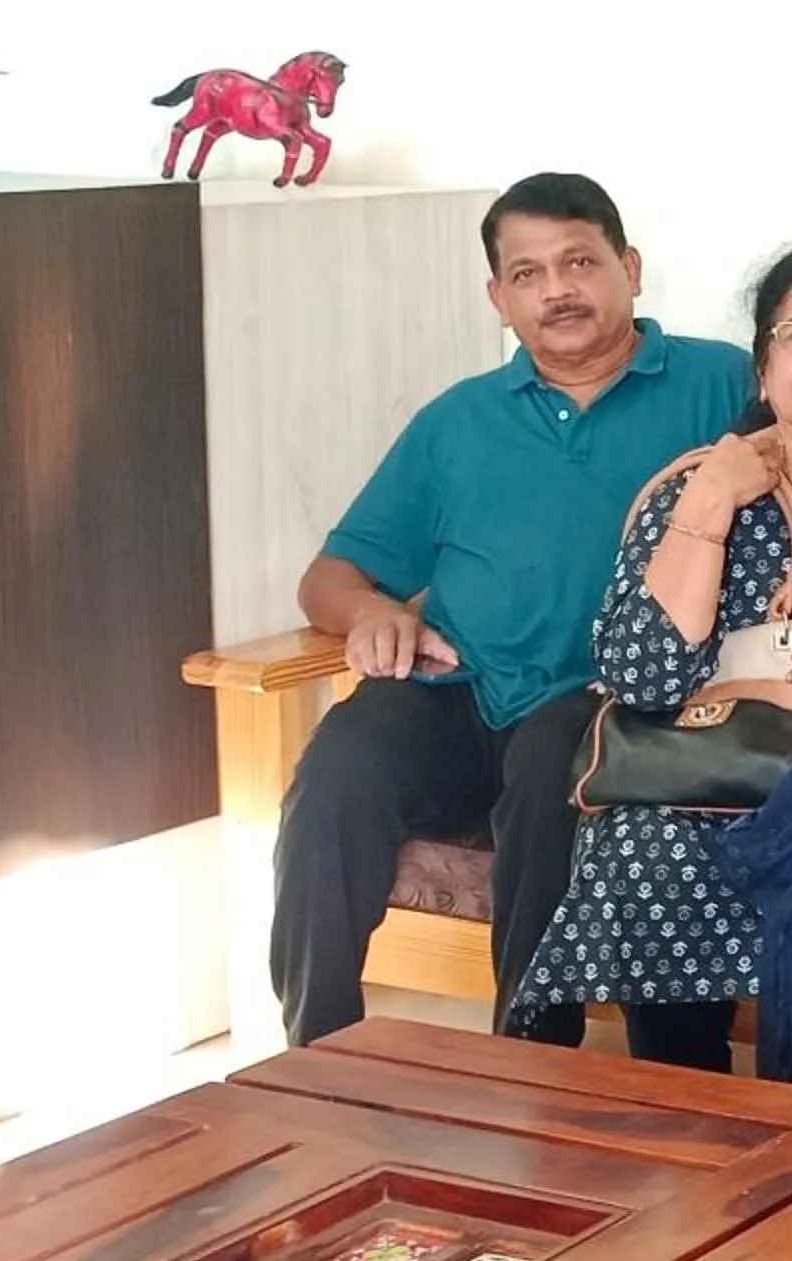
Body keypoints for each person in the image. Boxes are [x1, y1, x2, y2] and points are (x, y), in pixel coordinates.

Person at [269, 174, 749, 1048]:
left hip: (612, 704)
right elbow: (330, 576)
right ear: (499, 298)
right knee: (341, 764)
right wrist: (373, 613)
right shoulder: (457, 422)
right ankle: (316, 1053)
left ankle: (529, 1064)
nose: (556, 290)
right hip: (456, 687)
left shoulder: (722, 386)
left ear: (630, 268)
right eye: (527, 274)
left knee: (547, 764)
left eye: (579, 262)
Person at [508, 244, 792, 1086]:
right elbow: (644, 679)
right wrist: (713, 504)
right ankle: (690, 1107)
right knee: (641, 842)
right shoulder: (698, 485)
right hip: (712, 772)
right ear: (763, 368)